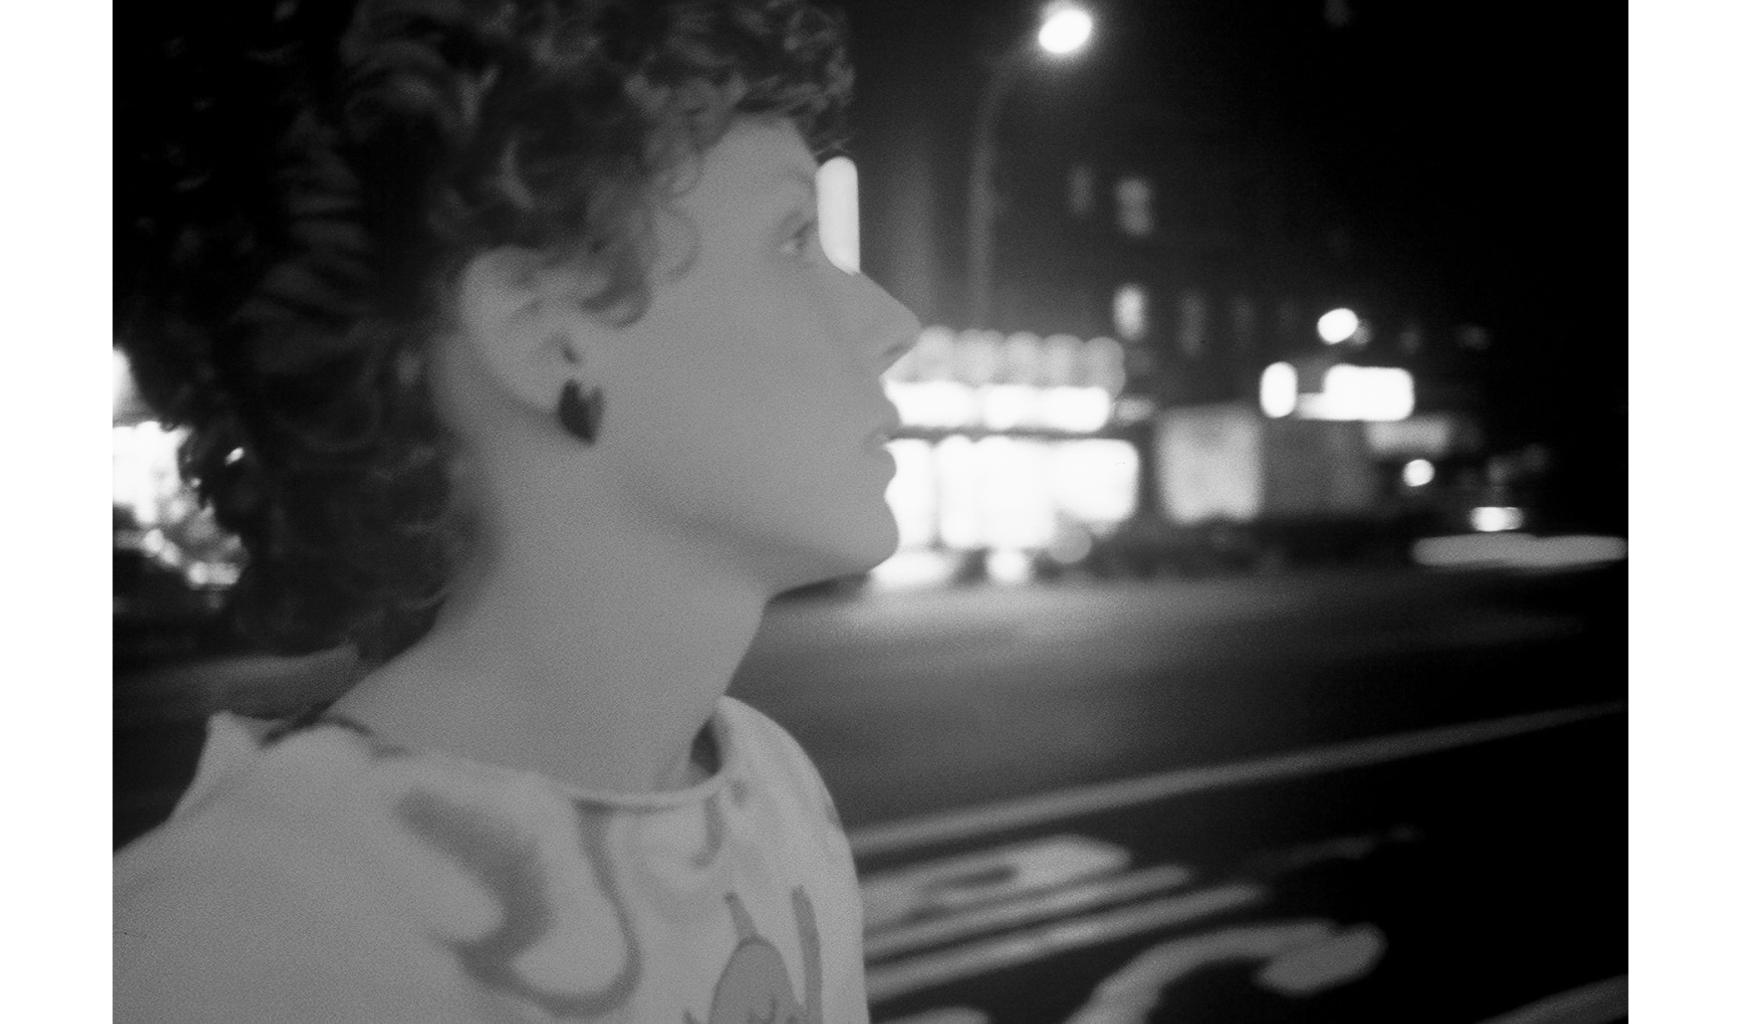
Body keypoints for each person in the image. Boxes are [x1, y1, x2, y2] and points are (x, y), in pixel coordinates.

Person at [113, 0, 918, 1019]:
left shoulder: (773, 790)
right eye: (794, 236)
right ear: (542, 333)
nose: (896, 322)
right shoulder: (237, 946)